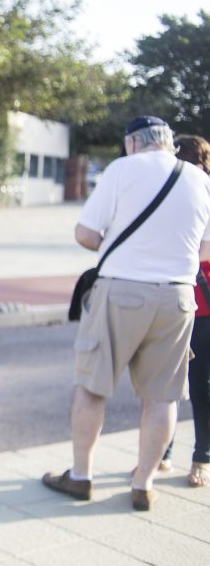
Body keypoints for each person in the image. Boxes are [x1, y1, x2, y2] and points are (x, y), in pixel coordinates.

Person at [42, 116, 210, 511]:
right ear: (168, 142)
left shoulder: (122, 170)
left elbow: (85, 234)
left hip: (121, 290)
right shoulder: (199, 179)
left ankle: (81, 476)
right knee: (163, 396)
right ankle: (143, 483)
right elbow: (205, 250)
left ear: (132, 143)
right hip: (179, 297)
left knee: (92, 385)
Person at [171, 134, 210, 487]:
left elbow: (203, 251)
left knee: (200, 383)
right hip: (173, 295)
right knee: (161, 380)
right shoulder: (171, 191)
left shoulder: (205, 191)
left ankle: (202, 455)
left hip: (203, 303)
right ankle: (162, 453)